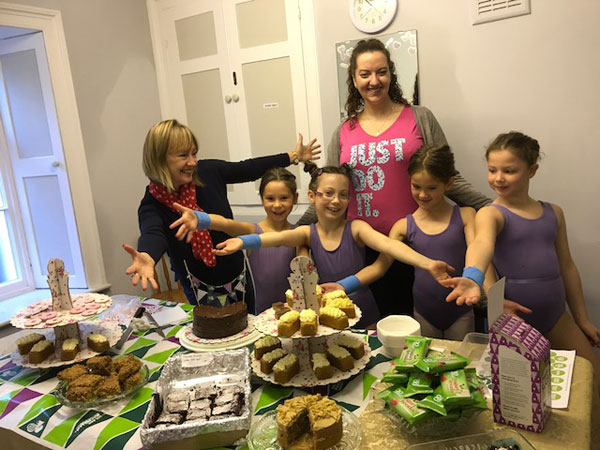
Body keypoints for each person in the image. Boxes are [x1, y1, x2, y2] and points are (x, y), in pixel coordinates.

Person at [298, 38, 489, 319]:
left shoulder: (419, 117)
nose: (374, 81)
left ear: (391, 74)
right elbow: (330, 189)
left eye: (381, 72)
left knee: (416, 330)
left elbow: (449, 177)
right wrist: (290, 228)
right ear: (354, 79)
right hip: (360, 249)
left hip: (415, 245)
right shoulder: (343, 131)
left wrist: (494, 208)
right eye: (365, 74)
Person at [443, 131, 600, 388]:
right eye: (492, 170)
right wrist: (473, 276)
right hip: (514, 319)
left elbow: (567, 267)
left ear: (532, 170)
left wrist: (582, 319)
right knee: (522, 390)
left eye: (509, 171)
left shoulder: (554, 213)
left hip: (556, 316)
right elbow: (482, 244)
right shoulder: (491, 213)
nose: (498, 178)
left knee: (590, 376)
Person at [214, 164, 455, 329]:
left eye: (343, 194)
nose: (335, 201)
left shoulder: (357, 228)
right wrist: (242, 241)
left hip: (365, 314)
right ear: (312, 196)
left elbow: (389, 246)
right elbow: (275, 238)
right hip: (329, 320)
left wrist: (428, 263)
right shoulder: (307, 233)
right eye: (328, 193)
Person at [123, 119, 320, 310]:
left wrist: (292, 156)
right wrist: (148, 256)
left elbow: (247, 168)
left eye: (194, 153)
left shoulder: (207, 171)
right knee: (211, 335)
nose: (192, 162)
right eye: (183, 155)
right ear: (159, 159)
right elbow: (152, 232)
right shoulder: (153, 203)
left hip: (237, 272)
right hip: (197, 284)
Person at [168, 167, 305, 313]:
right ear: (262, 199)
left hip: (294, 313)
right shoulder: (253, 230)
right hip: (261, 315)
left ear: (295, 198)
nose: (277, 205)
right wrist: (201, 218)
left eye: (284, 198)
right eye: (270, 198)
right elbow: (226, 224)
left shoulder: (299, 234)